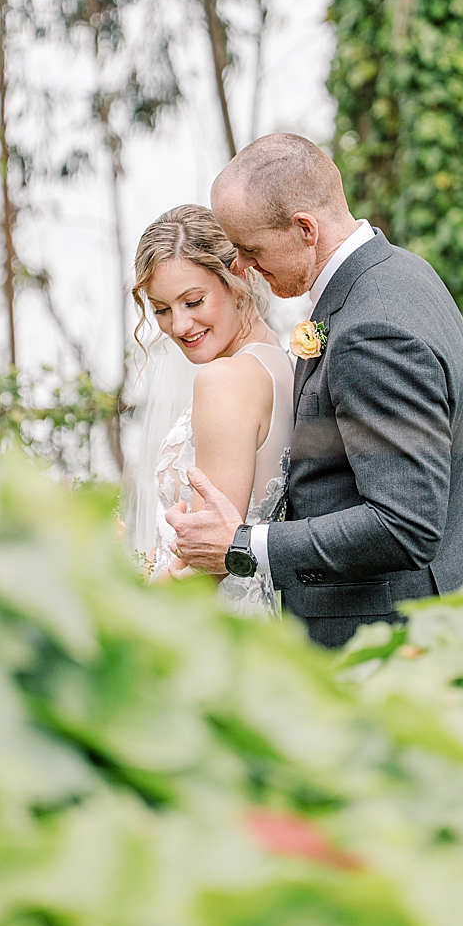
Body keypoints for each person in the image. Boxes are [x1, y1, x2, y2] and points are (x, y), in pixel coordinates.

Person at [163, 133, 463, 648]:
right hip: (425, 624)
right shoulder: (401, 274)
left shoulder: (370, 326)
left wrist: (244, 543)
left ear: (304, 229)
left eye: (250, 250)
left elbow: (405, 523)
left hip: (391, 645)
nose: (242, 268)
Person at [135, 204, 291, 620]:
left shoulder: (225, 380)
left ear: (237, 277)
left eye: (193, 300)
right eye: (162, 310)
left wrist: (130, 616)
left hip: (209, 626)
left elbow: (209, 561)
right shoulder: (279, 361)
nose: (180, 326)